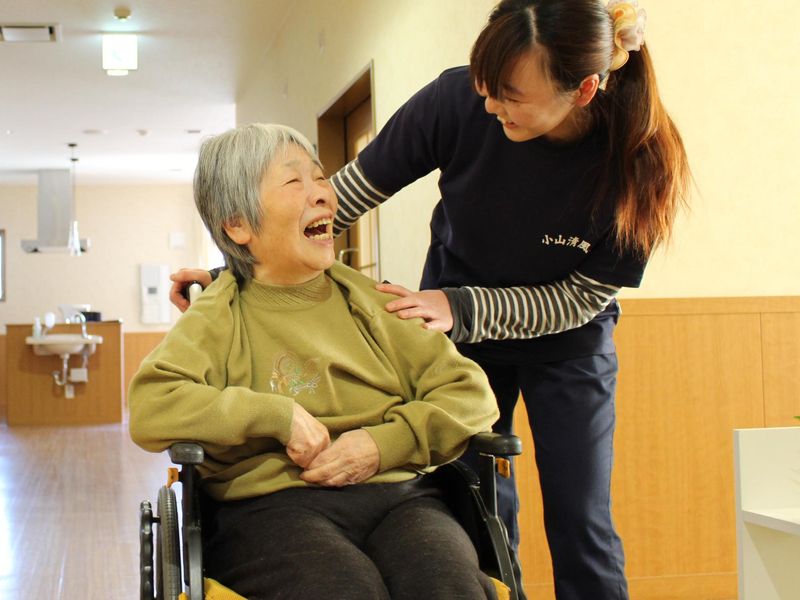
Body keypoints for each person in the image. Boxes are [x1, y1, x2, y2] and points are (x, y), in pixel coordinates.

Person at [170, 1, 690, 598]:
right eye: (486, 85)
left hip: (564, 343)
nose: (492, 106)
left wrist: (462, 307)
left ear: (584, 89)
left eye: (512, 94)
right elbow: (342, 195)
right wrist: (239, 268)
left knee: (582, 519)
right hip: (455, 331)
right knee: (477, 508)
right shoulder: (458, 103)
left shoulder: (640, 164)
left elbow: (580, 299)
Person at [130, 123, 503, 600]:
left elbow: (470, 394)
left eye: (320, 177)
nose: (323, 194)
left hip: (402, 498)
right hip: (272, 507)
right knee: (343, 590)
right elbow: (152, 405)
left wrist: (384, 442)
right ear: (237, 225)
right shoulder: (218, 313)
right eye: (293, 182)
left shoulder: (372, 301)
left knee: (445, 585)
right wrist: (276, 415)